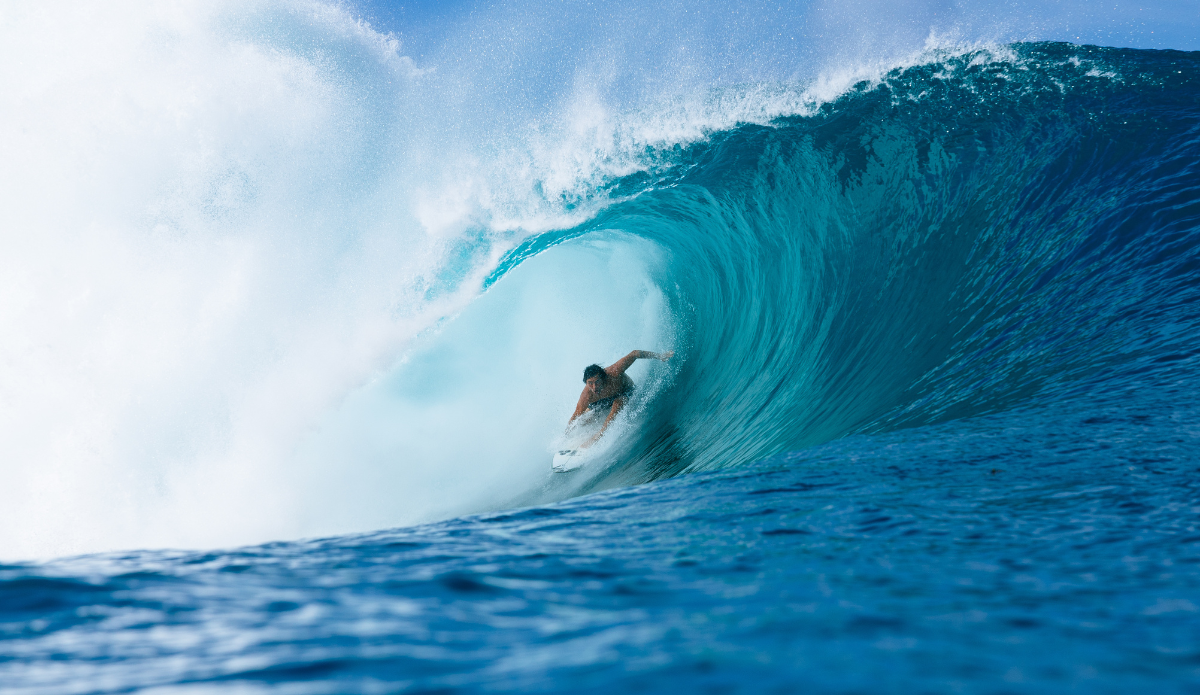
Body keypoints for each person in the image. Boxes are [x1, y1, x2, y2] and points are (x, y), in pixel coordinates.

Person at [568, 350, 674, 447]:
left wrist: (660, 356)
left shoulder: (614, 372)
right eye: (590, 383)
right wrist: (565, 435)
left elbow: (635, 354)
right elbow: (576, 414)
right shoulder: (587, 395)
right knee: (584, 417)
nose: (594, 387)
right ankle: (569, 437)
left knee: (617, 403)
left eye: (597, 382)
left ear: (603, 378)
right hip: (604, 400)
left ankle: (599, 435)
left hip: (624, 391)